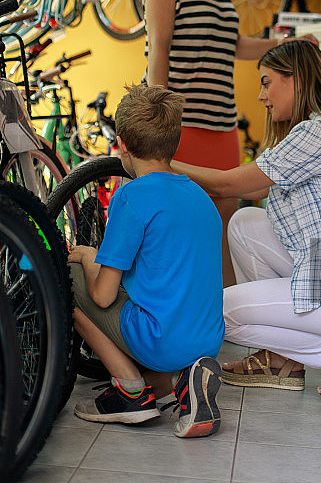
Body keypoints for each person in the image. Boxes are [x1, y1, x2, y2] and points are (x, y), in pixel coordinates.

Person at [171, 40, 321, 407]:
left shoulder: (317, 134)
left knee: (217, 312)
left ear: (295, 79)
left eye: (267, 82)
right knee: (245, 224)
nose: (262, 95)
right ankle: (282, 360)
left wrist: (157, 162)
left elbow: (225, 184)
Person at [142, 0, 295, 286]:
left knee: (225, 231)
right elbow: (157, 49)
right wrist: (159, 123)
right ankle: (178, 320)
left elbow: (234, 43)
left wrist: (283, 45)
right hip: (183, 125)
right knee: (179, 227)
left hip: (222, 127)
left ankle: (225, 321)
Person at [68, 84, 225, 438]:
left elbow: (104, 296)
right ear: (174, 143)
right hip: (207, 341)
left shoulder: (131, 197)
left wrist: (91, 257)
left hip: (161, 341)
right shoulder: (201, 197)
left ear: (121, 143)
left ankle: (130, 393)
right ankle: (184, 383)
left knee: (68, 277)